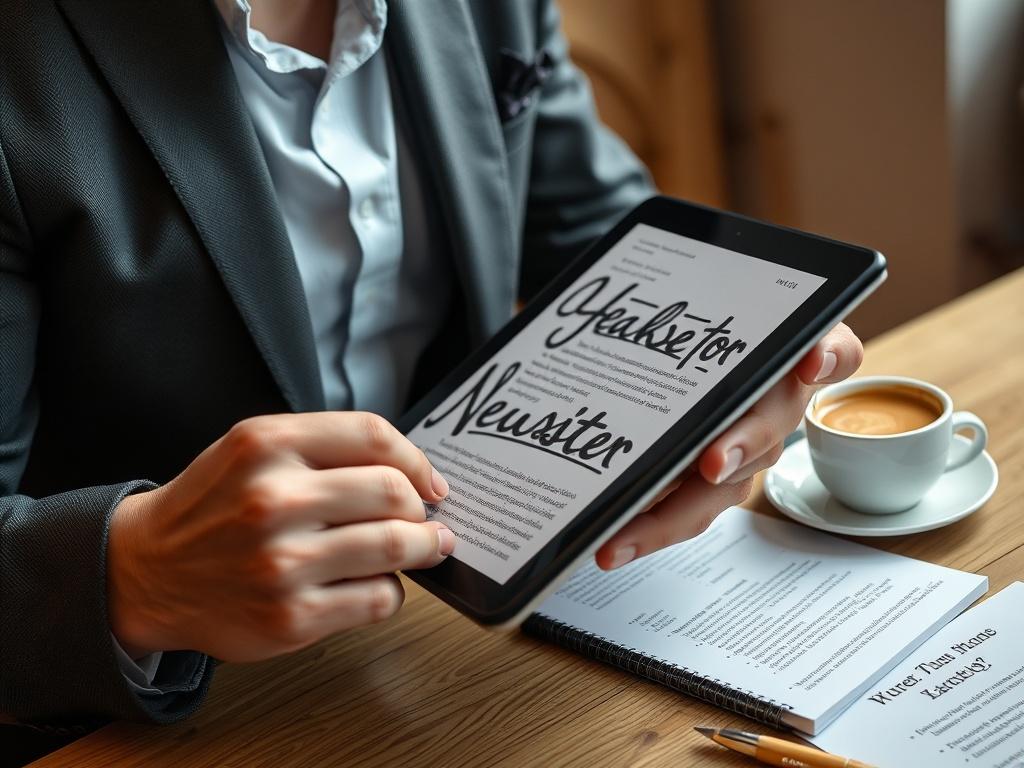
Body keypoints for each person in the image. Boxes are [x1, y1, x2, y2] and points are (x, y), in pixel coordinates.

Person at [0, 0, 863, 733]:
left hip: (459, 647)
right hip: (146, 715)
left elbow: (602, 240)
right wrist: (135, 576)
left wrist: (732, 355)